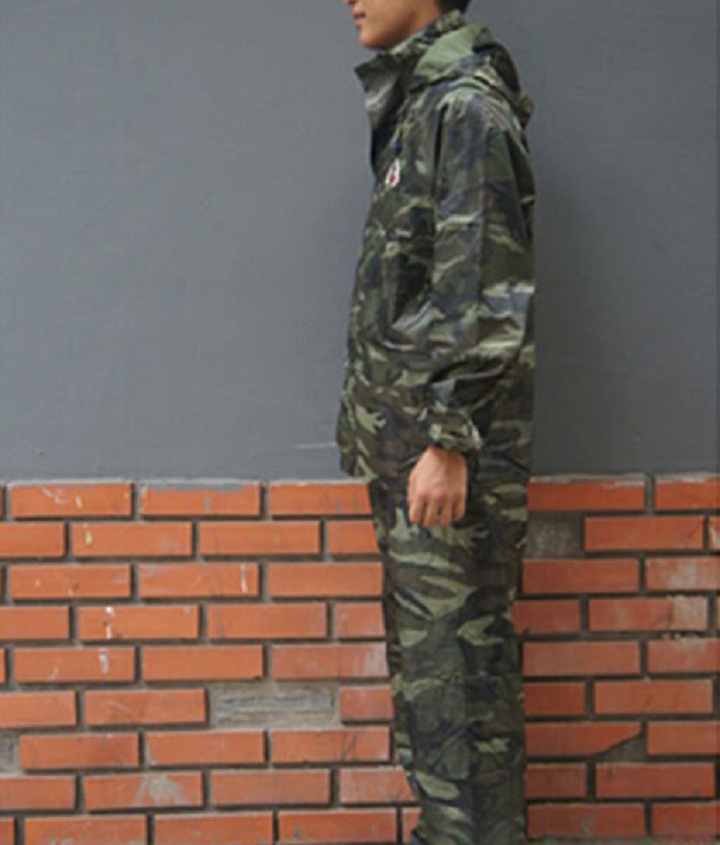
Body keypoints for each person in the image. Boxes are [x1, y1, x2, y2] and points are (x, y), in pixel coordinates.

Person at [335, 0, 536, 842]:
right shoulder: (423, 103)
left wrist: (448, 439)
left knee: (458, 691)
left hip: (442, 457)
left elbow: (483, 286)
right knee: (437, 686)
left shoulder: (463, 107)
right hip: (411, 452)